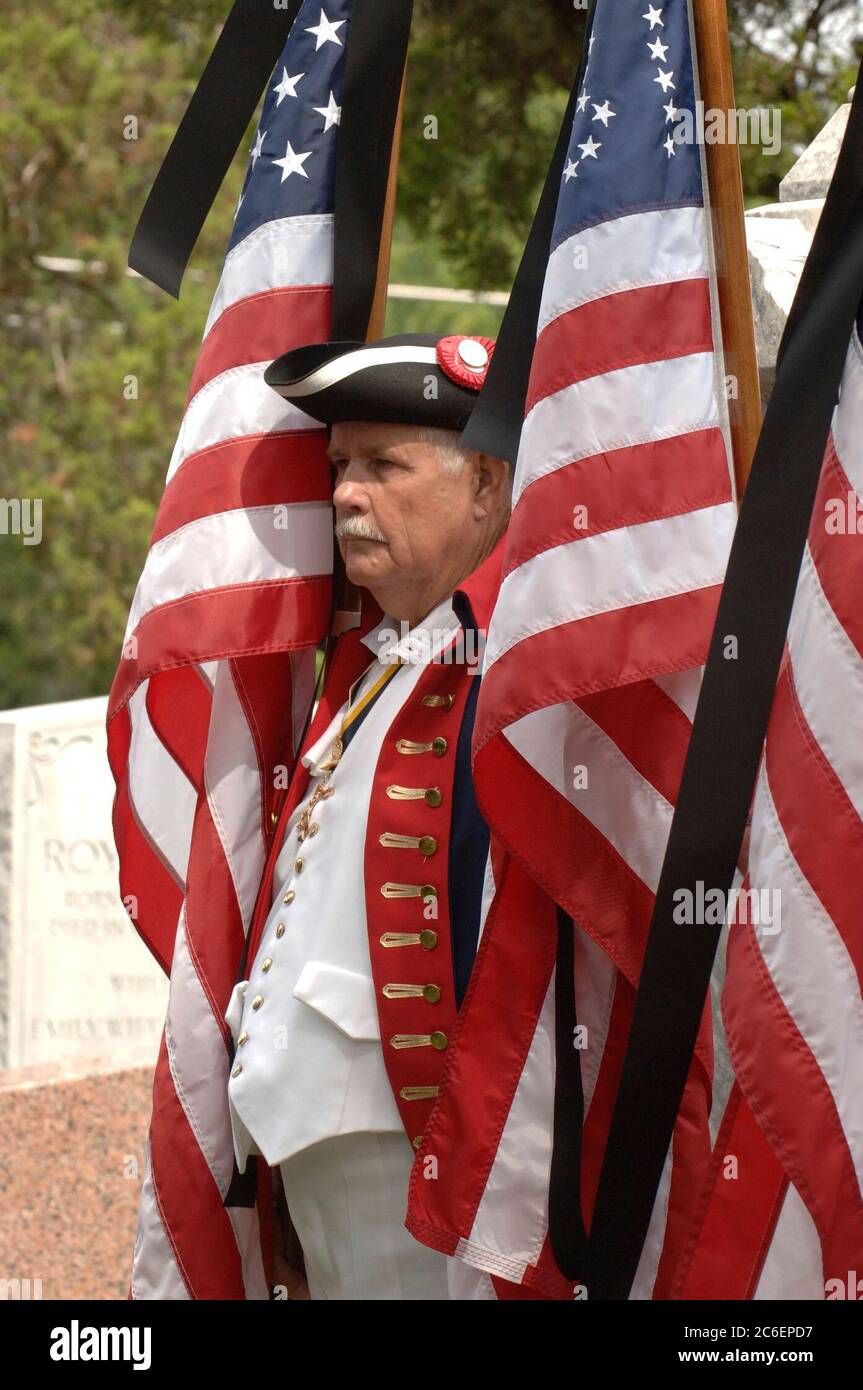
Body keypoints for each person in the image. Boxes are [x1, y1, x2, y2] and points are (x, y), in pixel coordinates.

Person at [223, 332, 511, 1299]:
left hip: (418, 1137)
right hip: (316, 1135)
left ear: (485, 484)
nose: (346, 492)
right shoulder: (379, 663)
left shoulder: (510, 667)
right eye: (341, 464)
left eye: (385, 464)